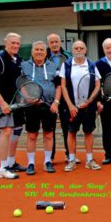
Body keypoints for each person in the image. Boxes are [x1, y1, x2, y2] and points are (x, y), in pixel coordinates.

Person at [0, 32, 24, 179]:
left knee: (17, 130)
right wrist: (2, 103)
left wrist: (29, 98)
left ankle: (11, 162)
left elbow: (20, 81)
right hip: (4, 103)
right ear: (5, 43)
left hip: (17, 103)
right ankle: (3, 168)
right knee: (7, 131)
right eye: (12, 43)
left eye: (18, 43)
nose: (15, 45)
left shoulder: (18, 59)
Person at [60, 40, 102, 172]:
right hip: (72, 107)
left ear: (85, 50)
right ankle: (71, 159)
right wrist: (70, 105)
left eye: (81, 48)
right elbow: (63, 87)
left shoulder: (91, 65)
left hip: (88, 107)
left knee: (88, 132)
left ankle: (89, 160)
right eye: (76, 48)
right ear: (72, 50)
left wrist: (90, 101)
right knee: (71, 132)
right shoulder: (66, 65)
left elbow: (97, 85)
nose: (79, 50)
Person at [21, 41, 59, 175]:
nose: (39, 52)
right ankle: (31, 163)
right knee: (32, 135)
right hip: (31, 106)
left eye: (42, 50)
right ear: (32, 52)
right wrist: (28, 98)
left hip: (49, 106)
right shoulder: (24, 65)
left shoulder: (53, 66)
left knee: (48, 134)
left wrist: (56, 102)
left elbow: (59, 85)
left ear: (45, 52)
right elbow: (22, 84)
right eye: (36, 50)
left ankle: (47, 161)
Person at [45, 33, 78, 163]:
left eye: (56, 42)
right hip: (49, 97)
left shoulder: (68, 56)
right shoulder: (44, 57)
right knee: (50, 127)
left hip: (65, 96)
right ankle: (51, 156)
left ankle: (69, 154)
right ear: (48, 44)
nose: (54, 44)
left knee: (67, 126)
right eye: (51, 42)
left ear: (60, 42)